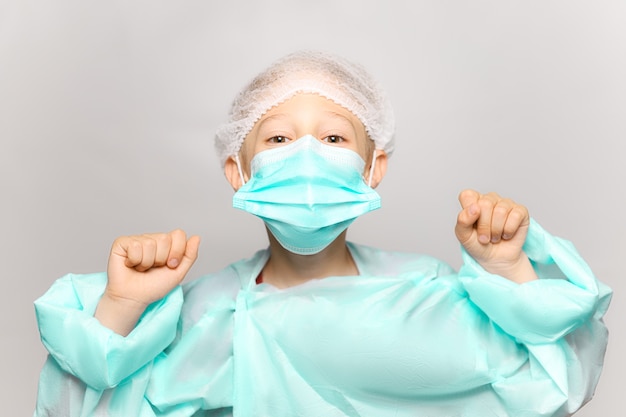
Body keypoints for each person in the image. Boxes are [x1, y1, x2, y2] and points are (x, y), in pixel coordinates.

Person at [34, 50, 612, 417]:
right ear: (238, 169)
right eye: (279, 140)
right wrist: (118, 312)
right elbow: (82, 408)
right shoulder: (203, 316)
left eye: (334, 139)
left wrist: (510, 273)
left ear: (372, 167)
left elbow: (548, 387)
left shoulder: (426, 294)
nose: (307, 156)